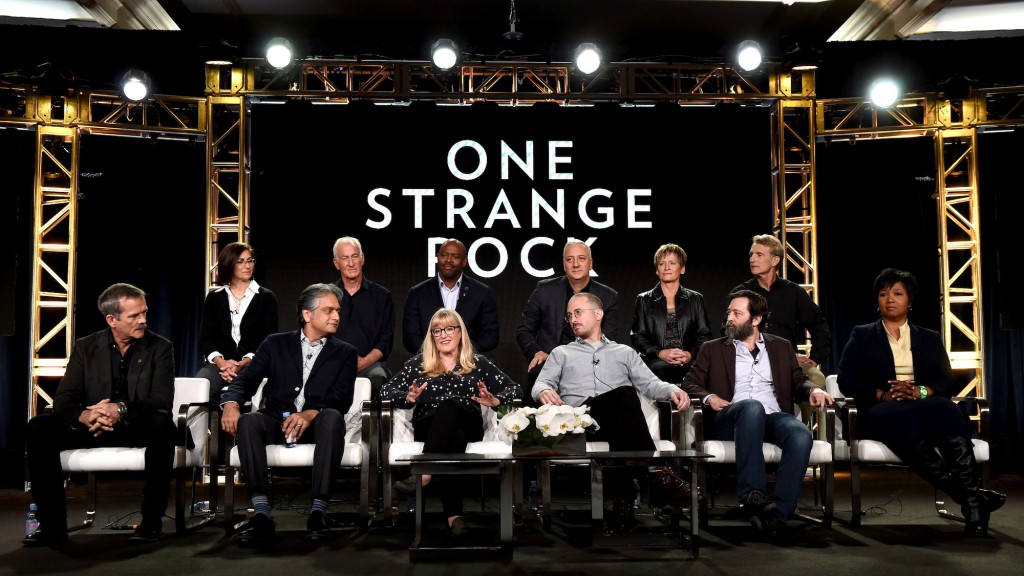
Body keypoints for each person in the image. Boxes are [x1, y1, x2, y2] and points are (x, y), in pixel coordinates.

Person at [836, 268, 1005, 536]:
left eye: (897, 293)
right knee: (898, 417)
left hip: (921, 406)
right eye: (883, 293)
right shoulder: (862, 334)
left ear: (910, 302)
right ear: (877, 301)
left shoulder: (929, 338)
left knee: (944, 408)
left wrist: (920, 392)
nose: (889, 298)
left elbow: (947, 381)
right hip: (880, 410)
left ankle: (970, 501)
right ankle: (972, 500)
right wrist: (883, 394)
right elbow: (846, 380)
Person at [25, 283, 175, 546]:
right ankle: (52, 527)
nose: (143, 320)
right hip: (92, 427)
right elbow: (64, 399)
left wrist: (120, 409)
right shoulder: (86, 346)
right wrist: (85, 415)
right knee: (39, 427)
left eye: (145, 313)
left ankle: (151, 521)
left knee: (162, 423)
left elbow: (162, 399)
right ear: (112, 320)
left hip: (134, 427)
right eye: (134, 316)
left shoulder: (160, 347)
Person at [681, 289, 833, 539]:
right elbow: (689, 382)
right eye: (729, 312)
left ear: (756, 319)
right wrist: (711, 397)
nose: (729, 317)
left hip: (773, 416)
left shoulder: (781, 347)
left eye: (736, 313)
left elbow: (798, 380)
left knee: (800, 434)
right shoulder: (713, 349)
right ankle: (753, 494)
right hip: (732, 416)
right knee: (752, 407)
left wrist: (813, 390)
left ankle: (776, 515)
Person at [532, 292, 691, 531]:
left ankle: (623, 503)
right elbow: (539, 385)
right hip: (581, 420)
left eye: (578, 313)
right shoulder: (561, 353)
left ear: (598, 314)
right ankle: (655, 474)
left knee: (623, 406)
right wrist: (543, 390)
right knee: (625, 394)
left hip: (616, 424)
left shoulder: (624, 353)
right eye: (569, 315)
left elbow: (649, 383)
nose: (572, 319)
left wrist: (671, 390)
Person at [220, 283, 357, 546]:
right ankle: (261, 514)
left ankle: (318, 512)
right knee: (249, 420)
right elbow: (244, 381)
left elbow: (342, 399)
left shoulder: (345, 353)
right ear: (308, 315)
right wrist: (231, 403)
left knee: (332, 417)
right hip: (276, 421)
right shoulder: (275, 343)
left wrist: (310, 413)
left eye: (337, 311)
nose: (336, 316)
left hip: (317, 427)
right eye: (329, 310)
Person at [383, 308, 520, 536]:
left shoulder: (478, 363)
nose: (444, 335)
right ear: (432, 336)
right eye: (437, 331)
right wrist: (407, 398)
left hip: (469, 422)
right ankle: (454, 516)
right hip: (430, 427)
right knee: (453, 437)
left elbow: (515, 388)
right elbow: (386, 390)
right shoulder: (419, 364)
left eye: (449, 329)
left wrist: (495, 400)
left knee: (450, 406)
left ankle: (423, 474)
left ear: (460, 333)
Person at [516, 240, 619, 388]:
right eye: (570, 259)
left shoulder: (608, 296)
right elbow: (524, 330)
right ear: (564, 264)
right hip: (550, 360)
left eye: (581, 259)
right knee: (538, 375)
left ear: (590, 263)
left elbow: (607, 338)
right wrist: (537, 352)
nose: (575, 264)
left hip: (590, 362)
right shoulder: (544, 290)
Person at [732, 234, 830, 387]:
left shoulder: (793, 292)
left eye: (759, 255)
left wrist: (814, 358)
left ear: (775, 260)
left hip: (787, 361)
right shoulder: (742, 293)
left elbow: (820, 326)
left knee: (817, 380)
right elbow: (728, 329)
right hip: (750, 360)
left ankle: (809, 412)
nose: (752, 259)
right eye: (751, 254)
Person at [195, 242, 278, 397]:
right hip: (219, 365)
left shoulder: (266, 298)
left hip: (253, 363)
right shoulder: (214, 297)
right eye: (240, 261)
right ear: (229, 264)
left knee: (244, 390)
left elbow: (269, 339)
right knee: (200, 388)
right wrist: (223, 364)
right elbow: (205, 339)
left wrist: (243, 363)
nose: (247, 266)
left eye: (250, 260)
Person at [403, 238, 499, 355]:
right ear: (438, 258)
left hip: (470, 360)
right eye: (444, 255)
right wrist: (436, 354)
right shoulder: (417, 293)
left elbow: (491, 336)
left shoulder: (482, 292)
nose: (448, 260)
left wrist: (461, 352)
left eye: (455, 257)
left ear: (464, 262)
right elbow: (410, 337)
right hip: (429, 361)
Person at [631, 243, 711, 382]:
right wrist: (660, 353)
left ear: (682, 268)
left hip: (687, 358)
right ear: (657, 270)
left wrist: (689, 354)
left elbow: (704, 334)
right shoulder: (644, 300)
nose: (667, 268)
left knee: (700, 371)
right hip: (656, 359)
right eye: (662, 264)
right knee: (663, 369)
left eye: (672, 263)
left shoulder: (696, 299)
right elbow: (638, 336)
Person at [330, 236, 395, 400]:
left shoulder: (382, 296)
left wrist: (364, 362)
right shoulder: (326, 295)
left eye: (355, 256)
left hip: (370, 366)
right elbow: (318, 336)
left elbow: (385, 342)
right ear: (336, 263)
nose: (351, 263)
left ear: (362, 258)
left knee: (379, 380)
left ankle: (372, 426)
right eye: (345, 258)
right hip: (333, 363)